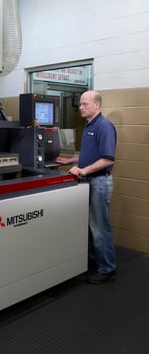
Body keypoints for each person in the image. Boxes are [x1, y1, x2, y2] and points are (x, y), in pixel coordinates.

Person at [56, 90, 117, 284]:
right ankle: (94, 262)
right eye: (80, 104)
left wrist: (84, 170)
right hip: (90, 180)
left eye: (85, 104)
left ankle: (107, 269)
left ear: (97, 105)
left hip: (99, 182)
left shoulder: (104, 126)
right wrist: (71, 159)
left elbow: (107, 158)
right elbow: (89, 153)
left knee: (100, 228)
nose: (80, 107)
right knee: (90, 226)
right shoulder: (89, 124)